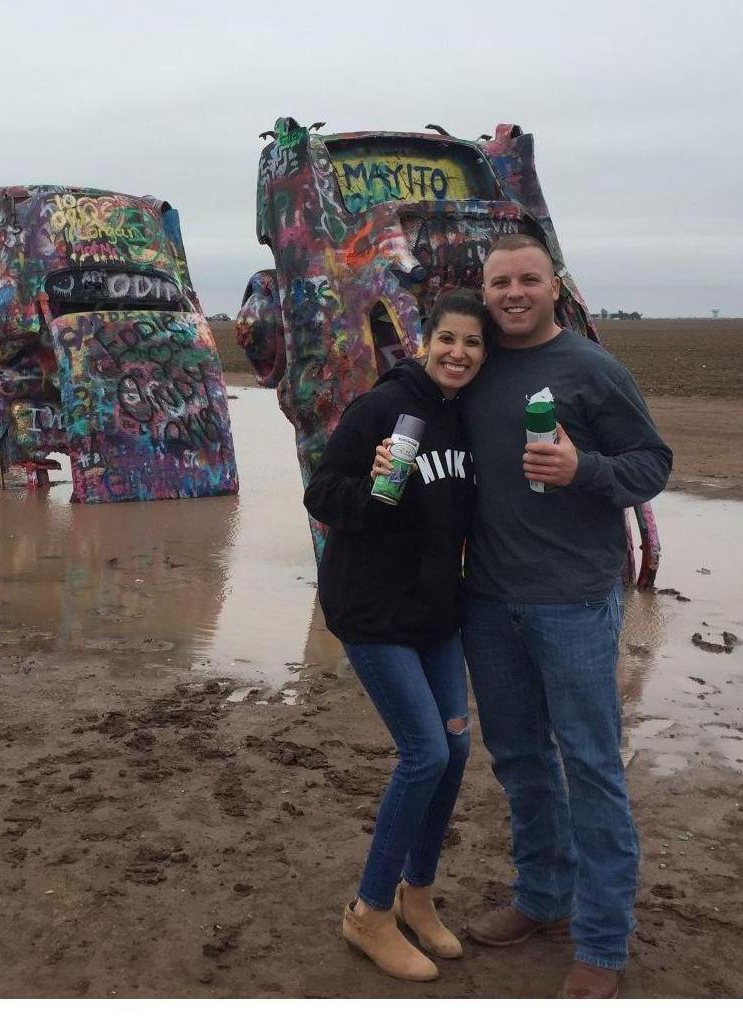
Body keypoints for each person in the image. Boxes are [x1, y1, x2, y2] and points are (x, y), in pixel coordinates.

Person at [458, 234, 672, 998]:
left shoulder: (590, 368)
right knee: (517, 758)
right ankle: (541, 898)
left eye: (527, 279)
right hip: (485, 600)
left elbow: (652, 462)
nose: (512, 292)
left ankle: (602, 939)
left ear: (554, 287)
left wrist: (584, 469)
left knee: (589, 765)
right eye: (498, 282)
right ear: (482, 291)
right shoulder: (473, 368)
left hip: (575, 601)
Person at [303, 288, 487, 982]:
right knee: (422, 753)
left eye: (471, 343)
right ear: (424, 340)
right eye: (447, 339)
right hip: (372, 611)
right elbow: (322, 493)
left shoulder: (465, 418)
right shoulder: (382, 407)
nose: (458, 352)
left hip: (434, 613)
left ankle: (418, 893)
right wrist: (373, 484)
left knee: (456, 746)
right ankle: (369, 911)